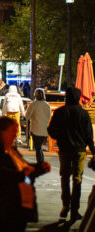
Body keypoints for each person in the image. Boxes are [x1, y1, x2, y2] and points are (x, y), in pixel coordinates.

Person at [0, 116, 51, 232]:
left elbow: (23, 168)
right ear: (2, 132)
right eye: (13, 132)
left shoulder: (11, 150)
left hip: (16, 208)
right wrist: (22, 174)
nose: (15, 135)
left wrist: (39, 168)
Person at [47, 87, 95, 222]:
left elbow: (51, 130)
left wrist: (59, 139)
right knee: (77, 180)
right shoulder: (84, 114)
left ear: (66, 97)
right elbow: (88, 136)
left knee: (64, 177)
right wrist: (93, 150)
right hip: (79, 150)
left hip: (64, 150)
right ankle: (75, 210)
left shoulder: (59, 112)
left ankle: (65, 205)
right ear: (79, 98)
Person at [24, 89, 50, 164]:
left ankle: (40, 162)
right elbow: (48, 117)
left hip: (35, 130)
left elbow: (27, 116)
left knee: (38, 147)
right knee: (39, 147)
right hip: (45, 130)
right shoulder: (47, 105)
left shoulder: (33, 105)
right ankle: (41, 161)